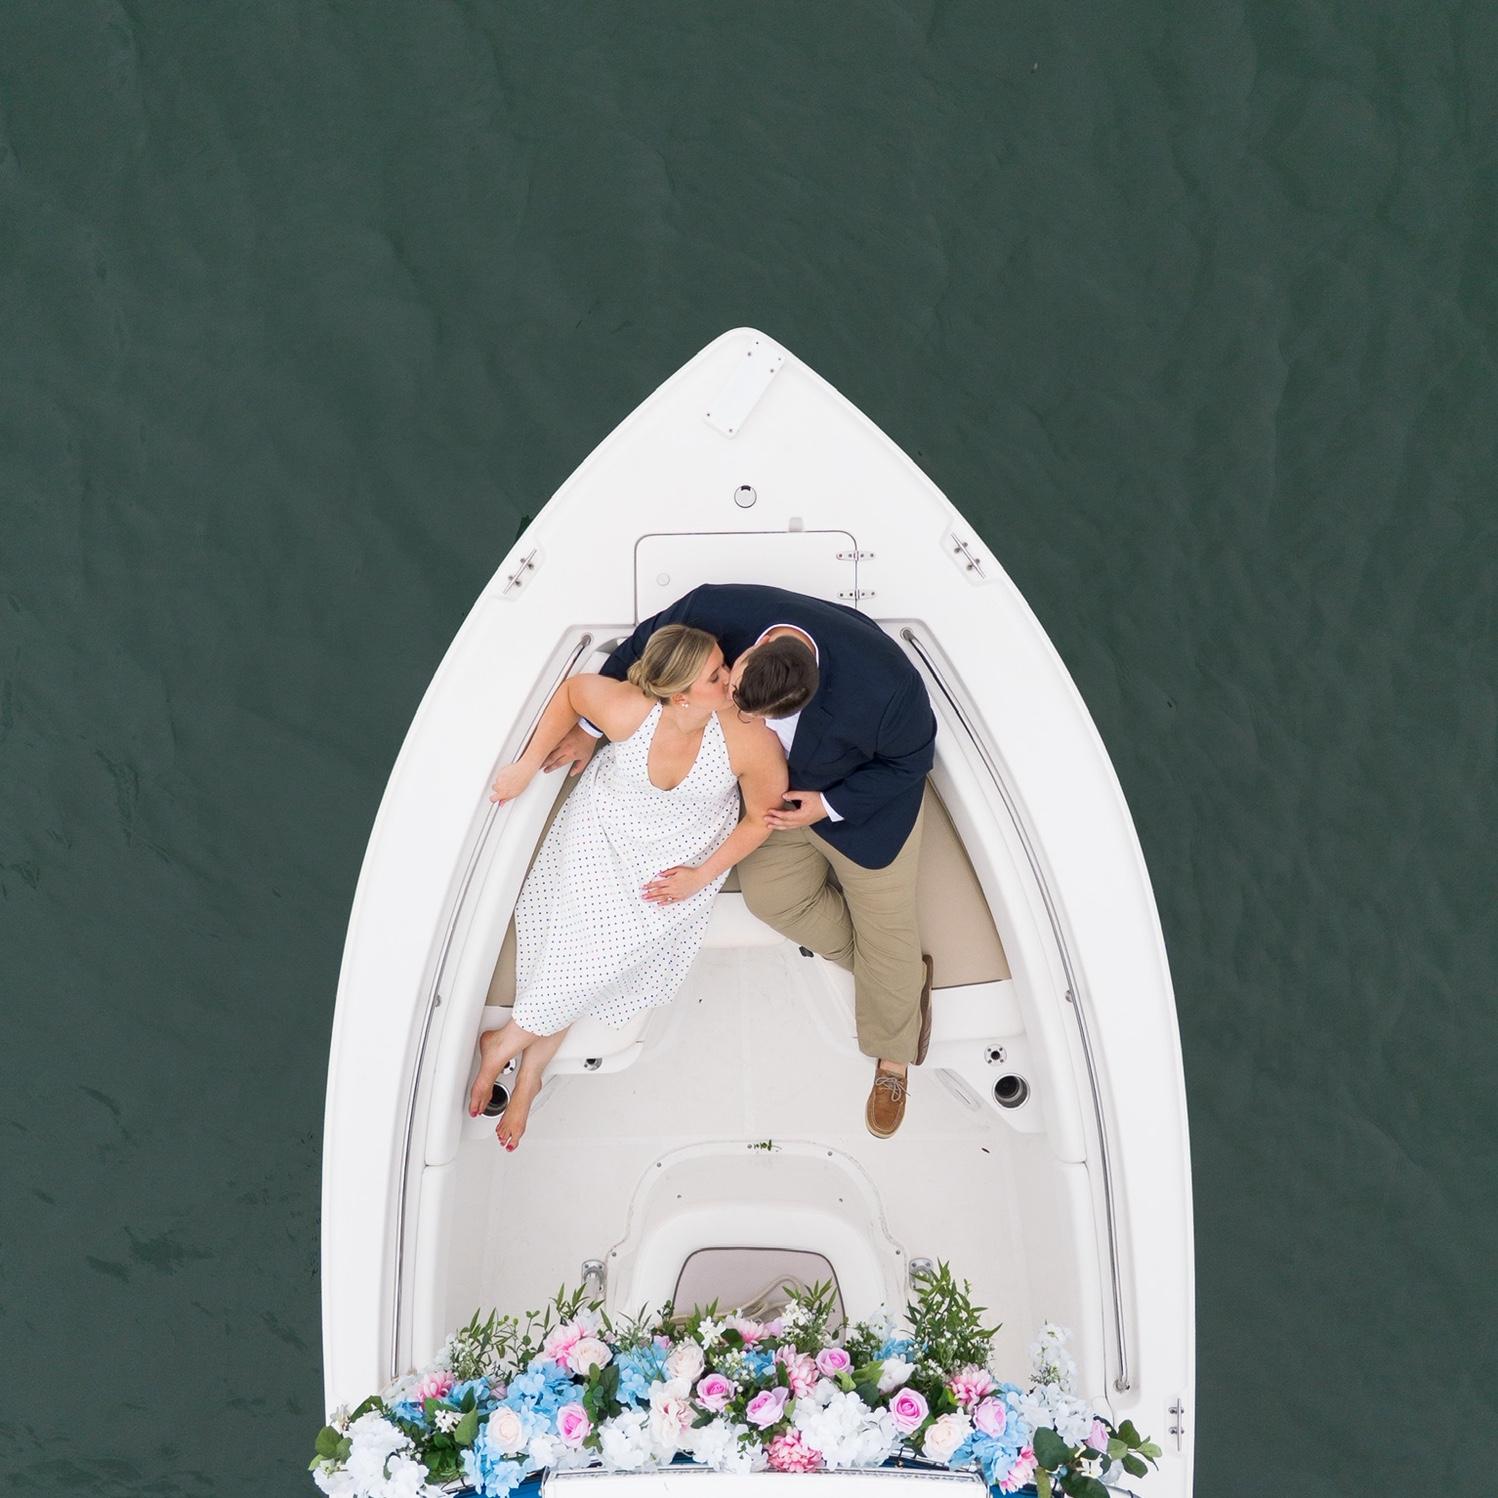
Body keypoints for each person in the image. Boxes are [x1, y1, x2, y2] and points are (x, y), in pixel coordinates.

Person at [545, 584, 936, 1139]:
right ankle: (896, 980)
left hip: (861, 810)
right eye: (730, 686)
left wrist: (828, 804)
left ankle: (893, 1056)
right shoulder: (720, 609)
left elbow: (910, 761)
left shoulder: (890, 689)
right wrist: (588, 730)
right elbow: (644, 643)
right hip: (774, 802)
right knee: (771, 899)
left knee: (887, 926)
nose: (735, 709)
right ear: (755, 647)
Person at [467, 624, 787, 1149]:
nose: (731, 678)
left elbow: (761, 819)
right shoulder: (631, 711)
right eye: (716, 675)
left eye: (725, 665)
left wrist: (701, 875)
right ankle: (522, 1066)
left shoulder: (748, 738)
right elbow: (573, 692)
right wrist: (525, 767)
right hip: (604, 829)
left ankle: (508, 1047)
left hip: (681, 858)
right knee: (580, 946)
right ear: (680, 695)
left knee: (605, 948)